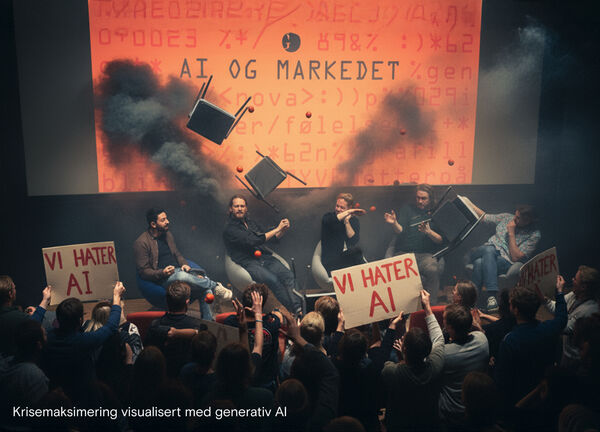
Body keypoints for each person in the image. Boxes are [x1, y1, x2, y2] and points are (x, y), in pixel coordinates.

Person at [134, 207, 231, 320]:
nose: (167, 222)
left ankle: (208, 323)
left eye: (166, 218)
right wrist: (162, 272)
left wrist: (184, 264)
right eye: (163, 220)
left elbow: (177, 254)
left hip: (178, 271)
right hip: (162, 278)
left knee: (205, 290)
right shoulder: (141, 242)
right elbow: (143, 272)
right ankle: (215, 286)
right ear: (153, 224)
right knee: (181, 276)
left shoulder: (167, 235)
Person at [42, 282, 125, 406]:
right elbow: (111, 326)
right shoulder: (82, 342)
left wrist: (44, 301)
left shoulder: (46, 338)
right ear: (80, 320)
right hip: (83, 400)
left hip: (54, 399)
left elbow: (31, 323)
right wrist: (116, 296)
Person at [223, 195, 302, 314]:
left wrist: (283, 230)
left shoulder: (251, 223)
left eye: (242, 206)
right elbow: (253, 241)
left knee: (289, 276)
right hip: (249, 262)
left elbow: (269, 238)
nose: (239, 209)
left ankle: (298, 308)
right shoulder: (230, 229)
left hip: (264, 258)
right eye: (236, 206)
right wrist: (277, 229)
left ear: (246, 208)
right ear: (231, 209)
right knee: (273, 281)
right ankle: (292, 310)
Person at [494, 281, 567, 411]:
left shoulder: (510, 341)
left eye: (510, 303)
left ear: (515, 310)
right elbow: (562, 318)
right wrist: (559, 293)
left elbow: (502, 380)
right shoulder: (548, 329)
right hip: (545, 394)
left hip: (520, 398)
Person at [382, 290, 445, 432]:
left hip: (400, 426)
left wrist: (391, 328)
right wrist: (427, 308)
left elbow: (382, 358)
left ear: (404, 349)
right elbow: (438, 339)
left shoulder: (392, 371)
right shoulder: (435, 366)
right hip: (429, 425)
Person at [467, 203, 541, 311]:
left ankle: (471, 302)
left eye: (518, 218)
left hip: (504, 260)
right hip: (486, 250)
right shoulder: (506, 217)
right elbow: (484, 217)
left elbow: (515, 258)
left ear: (527, 221)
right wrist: (467, 201)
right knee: (489, 249)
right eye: (515, 215)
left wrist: (511, 233)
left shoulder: (534, 235)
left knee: (479, 263)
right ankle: (491, 296)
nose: (514, 218)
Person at [384, 184, 445, 300]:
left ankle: (430, 306)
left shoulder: (436, 212)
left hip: (425, 256)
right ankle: (399, 305)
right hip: (404, 253)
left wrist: (429, 232)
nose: (420, 201)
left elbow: (441, 240)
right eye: (418, 198)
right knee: (394, 273)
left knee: (433, 270)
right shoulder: (408, 209)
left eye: (423, 198)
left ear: (430, 199)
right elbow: (400, 230)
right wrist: (394, 223)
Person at [439, 303, 489, 427]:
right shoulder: (482, 340)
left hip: (452, 413)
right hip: (479, 407)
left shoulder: (445, 354)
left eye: (444, 319)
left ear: (449, 327)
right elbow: (479, 332)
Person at [538, 266, 599, 368]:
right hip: (565, 351)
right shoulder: (574, 295)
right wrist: (545, 300)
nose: (572, 279)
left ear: (583, 287)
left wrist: (560, 292)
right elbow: (559, 307)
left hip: (575, 358)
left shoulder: (590, 310)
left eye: (575, 279)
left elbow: (563, 327)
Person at [145, 280, 208, 377]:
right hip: (189, 380)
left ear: (167, 301)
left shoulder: (155, 326)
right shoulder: (196, 326)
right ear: (187, 302)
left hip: (161, 377)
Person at [0, 276, 51, 356]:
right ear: (10, 294)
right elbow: (34, 324)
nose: (15, 290)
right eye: (14, 288)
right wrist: (45, 300)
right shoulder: (15, 317)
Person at [321, 193, 366, 274]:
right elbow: (332, 221)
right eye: (337, 206)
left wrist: (346, 222)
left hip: (347, 259)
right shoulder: (328, 217)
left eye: (342, 207)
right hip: (330, 261)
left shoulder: (354, 220)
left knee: (357, 252)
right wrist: (349, 211)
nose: (338, 209)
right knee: (356, 253)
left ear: (349, 207)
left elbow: (353, 240)